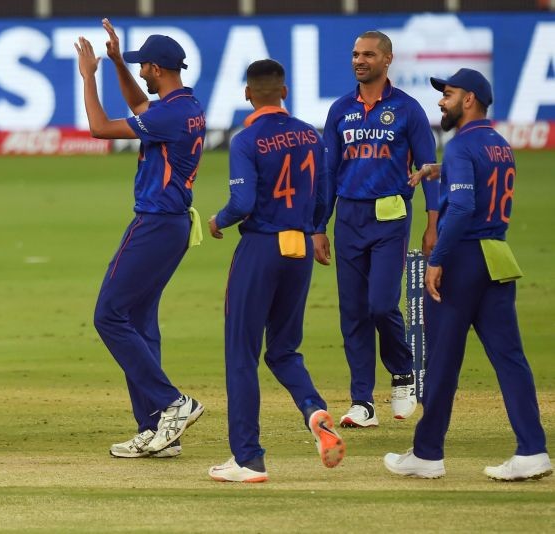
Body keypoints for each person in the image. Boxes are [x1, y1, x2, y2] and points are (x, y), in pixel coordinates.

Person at [385, 69, 551, 481]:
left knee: (442, 359)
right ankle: (532, 450)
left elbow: (459, 209)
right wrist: (437, 170)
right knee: (510, 359)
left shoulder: (461, 146)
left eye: (450, 95)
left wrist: (437, 260)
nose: (442, 102)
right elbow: (480, 178)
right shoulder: (498, 144)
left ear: (470, 100)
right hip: (496, 256)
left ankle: (426, 454)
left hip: (461, 259)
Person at [206, 60, 345, 483]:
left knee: (241, 354)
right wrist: (314, 230)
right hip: (300, 247)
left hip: (261, 248)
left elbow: (242, 203)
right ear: (283, 91)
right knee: (283, 349)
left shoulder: (245, 140)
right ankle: (314, 409)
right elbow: (324, 195)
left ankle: (248, 458)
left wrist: (218, 221)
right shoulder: (310, 135)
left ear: (248, 95)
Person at [74, 18, 205, 459]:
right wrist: (115, 63)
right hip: (173, 224)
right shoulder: (183, 106)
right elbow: (141, 107)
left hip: (155, 223)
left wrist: (89, 76)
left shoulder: (171, 114)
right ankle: (156, 430)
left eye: (141, 66)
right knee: (140, 322)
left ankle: (173, 403)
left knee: (109, 316)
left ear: (157, 68)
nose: (140, 72)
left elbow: (98, 127)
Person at [315, 30, 440, 428]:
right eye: (355, 54)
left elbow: (429, 170)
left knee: (381, 304)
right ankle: (362, 401)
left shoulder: (408, 109)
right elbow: (329, 172)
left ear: (387, 59)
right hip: (348, 220)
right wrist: (319, 226)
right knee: (352, 312)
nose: (359, 60)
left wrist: (433, 222)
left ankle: (403, 373)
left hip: (390, 218)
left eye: (368, 54)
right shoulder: (340, 110)